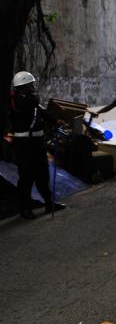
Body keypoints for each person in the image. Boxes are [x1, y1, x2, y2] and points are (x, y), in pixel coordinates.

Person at [8, 71, 66, 219]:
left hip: (37, 144)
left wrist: (56, 121)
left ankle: (49, 203)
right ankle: (25, 208)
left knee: (43, 174)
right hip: (24, 145)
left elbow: (41, 111)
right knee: (26, 177)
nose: (33, 86)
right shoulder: (16, 100)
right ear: (24, 86)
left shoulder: (31, 100)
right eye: (31, 84)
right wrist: (33, 97)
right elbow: (32, 103)